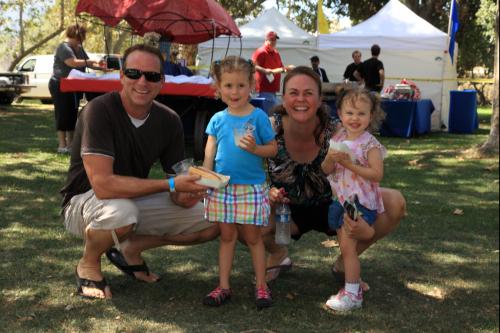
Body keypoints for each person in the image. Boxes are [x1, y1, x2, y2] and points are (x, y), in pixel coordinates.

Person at [61, 44, 219, 299]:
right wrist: (170, 186)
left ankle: (130, 248)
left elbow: (176, 186)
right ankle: (89, 263)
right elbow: (103, 186)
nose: (143, 82)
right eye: (134, 73)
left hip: (130, 202)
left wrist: (190, 191)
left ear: (162, 82)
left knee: (214, 218)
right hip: (84, 201)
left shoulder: (169, 120)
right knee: (123, 212)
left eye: (152, 76)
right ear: (122, 76)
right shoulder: (98, 110)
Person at [263, 66, 406, 288]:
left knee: (395, 202)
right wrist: (267, 191)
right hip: (286, 211)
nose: (301, 99)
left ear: (320, 99)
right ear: (283, 97)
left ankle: (346, 262)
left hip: (335, 204)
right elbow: (247, 171)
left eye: (308, 93)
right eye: (293, 92)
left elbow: (369, 165)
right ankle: (277, 254)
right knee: (247, 210)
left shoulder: (339, 130)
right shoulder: (268, 129)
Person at [202, 56, 278, 309]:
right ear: (219, 88)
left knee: (254, 238)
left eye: (240, 86)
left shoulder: (258, 117)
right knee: (226, 236)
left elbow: (273, 149)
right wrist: (205, 177)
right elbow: (209, 153)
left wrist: (256, 148)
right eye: (228, 86)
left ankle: (261, 287)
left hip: (251, 188)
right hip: (222, 187)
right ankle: (223, 286)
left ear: (252, 86)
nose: (234, 92)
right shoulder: (217, 119)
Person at [322, 88, 386, 311]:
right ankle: (353, 282)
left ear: (371, 116)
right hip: (342, 201)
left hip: (360, 202)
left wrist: (349, 164)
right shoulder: (338, 138)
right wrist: (330, 158)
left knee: (348, 248)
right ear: (340, 113)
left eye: (361, 113)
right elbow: (326, 170)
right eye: (350, 113)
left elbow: (377, 175)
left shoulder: (370, 145)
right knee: (346, 247)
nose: (355, 118)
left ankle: (352, 295)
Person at [48, 24, 108, 154]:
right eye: (81, 38)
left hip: (74, 85)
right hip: (60, 84)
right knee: (62, 113)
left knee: (72, 113)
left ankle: (71, 144)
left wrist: (102, 68)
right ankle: (62, 144)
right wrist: (91, 62)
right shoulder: (63, 47)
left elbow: (87, 62)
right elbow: (72, 63)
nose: (82, 41)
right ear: (75, 36)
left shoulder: (78, 47)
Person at [252, 31, 294, 115]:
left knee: (274, 114)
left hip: (274, 91)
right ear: (266, 40)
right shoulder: (261, 52)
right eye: (271, 40)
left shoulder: (276, 53)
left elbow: (281, 68)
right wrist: (264, 70)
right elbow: (253, 66)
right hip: (263, 90)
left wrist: (288, 69)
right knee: (269, 116)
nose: (274, 42)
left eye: (275, 40)